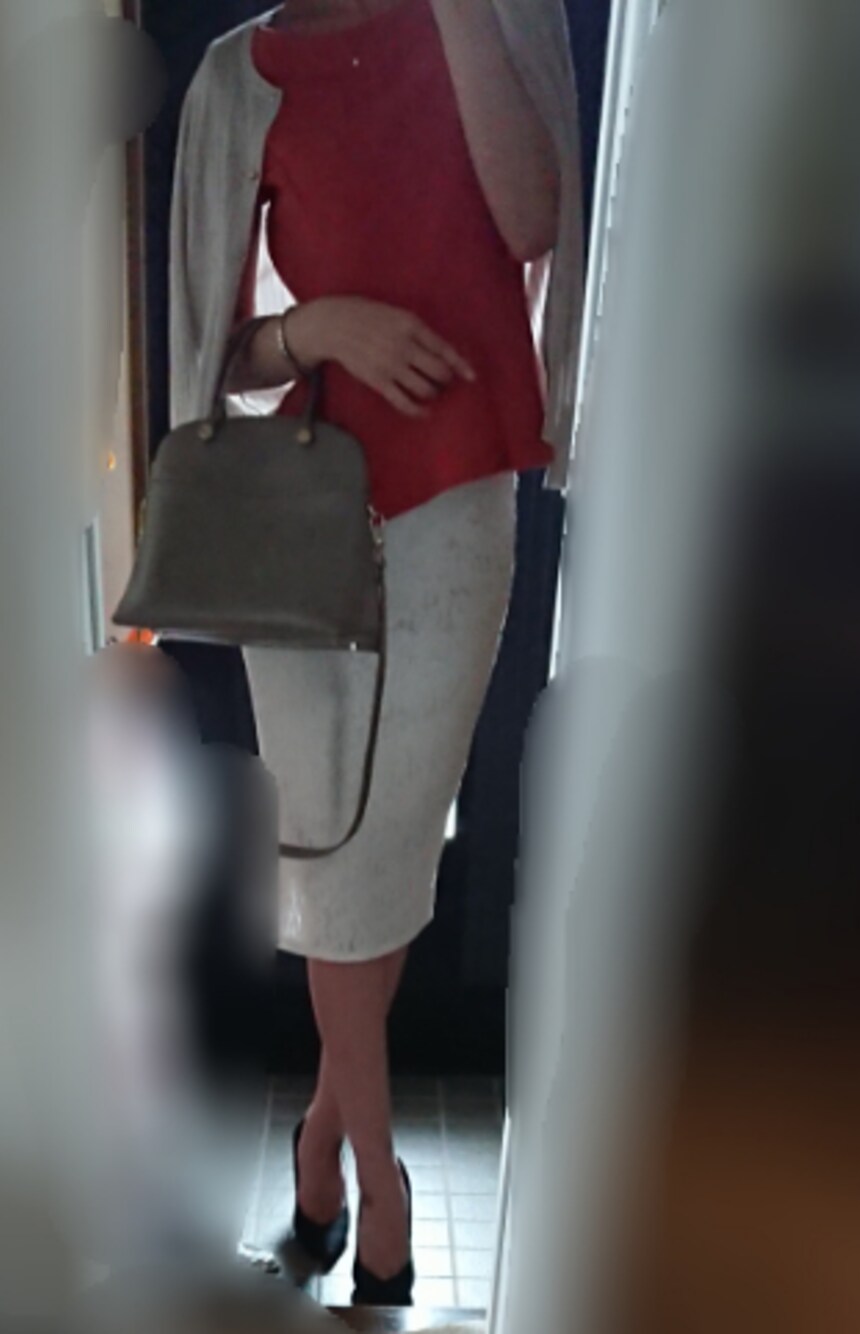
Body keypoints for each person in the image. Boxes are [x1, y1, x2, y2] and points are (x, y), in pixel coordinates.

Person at [168, 0, 583, 1304]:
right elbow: (209, 348)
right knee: (329, 849)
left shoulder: (492, 19)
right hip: (301, 514)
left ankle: (325, 1147)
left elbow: (534, 223)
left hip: (459, 500)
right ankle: (375, 1176)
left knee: (391, 845)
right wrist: (319, 326)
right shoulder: (239, 73)